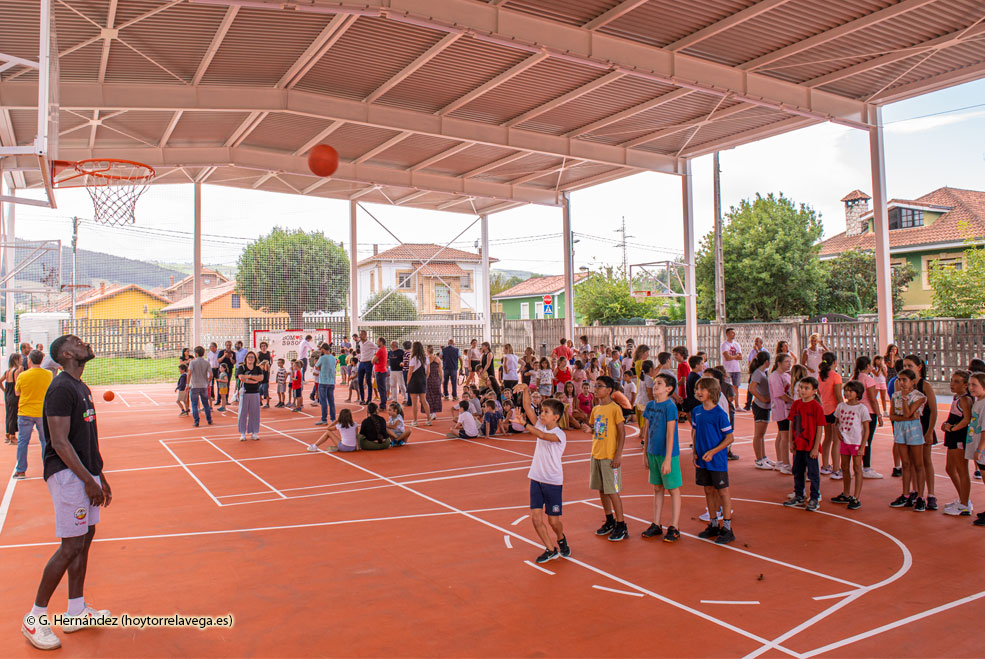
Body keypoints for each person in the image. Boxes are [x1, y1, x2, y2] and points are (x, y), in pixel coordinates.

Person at [22, 335, 110, 651]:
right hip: (68, 476)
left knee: (85, 538)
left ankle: (76, 611)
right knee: (71, 545)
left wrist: (99, 475)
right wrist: (87, 480)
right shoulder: (60, 388)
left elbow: (86, 436)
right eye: (78, 341)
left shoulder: (80, 386)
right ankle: (34, 619)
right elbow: (59, 442)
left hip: (85, 474)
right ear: (68, 354)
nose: (87, 343)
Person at [517, 386, 569, 563]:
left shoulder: (559, 434)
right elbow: (528, 408)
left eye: (546, 412)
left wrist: (524, 424)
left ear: (556, 417)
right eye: (542, 410)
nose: (541, 414)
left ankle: (561, 539)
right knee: (536, 518)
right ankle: (550, 548)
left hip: (552, 482)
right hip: (536, 479)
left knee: (554, 522)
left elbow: (541, 435)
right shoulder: (540, 424)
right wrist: (525, 390)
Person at [691, 376, 736, 544]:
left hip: (717, 460)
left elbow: (729, 438)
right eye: (697, 389)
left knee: (723, 491)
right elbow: (695, 433)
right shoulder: (696, 411)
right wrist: (695, 452)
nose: (699, 392)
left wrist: (713, 451)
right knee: (708, 490)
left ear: (712, 392)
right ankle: (714, 524)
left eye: (703, 389)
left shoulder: (719, 413)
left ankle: (727, 527)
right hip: (702, 459)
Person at [585, 375, 627, 541]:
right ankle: (609, 519)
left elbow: (622, 433)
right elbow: (598, 431)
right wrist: (590, 431)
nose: (596, 389)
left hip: (609, 456)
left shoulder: (615, 408)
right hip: (596, 453)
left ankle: (621, 524)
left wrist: (618, 454)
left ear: (609, 390)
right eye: (596, 386)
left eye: (600, 386)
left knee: (612, 491)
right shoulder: (596, 409)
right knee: (602, 489)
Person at [641, 373, 682, 542]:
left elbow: (671, 434)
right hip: (652, 452)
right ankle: (656, 524)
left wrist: (667, 459)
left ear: (669, 389)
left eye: (659, 383)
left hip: (667, 455)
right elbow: (647, 429)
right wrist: (645, 453)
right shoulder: (650, 405)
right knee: (657, 488)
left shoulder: (670, 407)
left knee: (673, 489)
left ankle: (674, 526)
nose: (655, 386)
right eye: (655, 383)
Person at [783, 376, 826, 511]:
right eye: (801, 387)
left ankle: (814, 497)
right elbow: (792, 424)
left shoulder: (816, 407)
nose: (802, 390)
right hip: (798, 445)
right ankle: (799, 495)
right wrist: (791, 442)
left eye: (806, 388)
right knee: (797, 471)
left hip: (810, 447)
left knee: (812, 473)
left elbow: (820, 428)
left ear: (814, 391)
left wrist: (815, 447)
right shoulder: (796, 404)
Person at [888, 368, 927, 510]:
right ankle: (905, 494)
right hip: (900, 429)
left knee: (918, 463)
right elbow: (893, 416)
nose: (901, 383)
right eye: (899, 380)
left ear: (913, 382)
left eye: (904, 380)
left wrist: (905, 400)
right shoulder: (895, 395)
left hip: (914, 430)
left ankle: (921, 497)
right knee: (905, 463)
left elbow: (907, 412)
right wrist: (906, 417)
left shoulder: (919, 396)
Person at [905, 355, 938, 511]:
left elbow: (933, 411)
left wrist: (930, 431)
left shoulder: (925, 386)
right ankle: (916, 491)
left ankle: (931, 495)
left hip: (923, 427)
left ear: (919, 367)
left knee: (925, 460)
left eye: (910, 366)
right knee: (912, 460)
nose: (906, 368)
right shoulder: (904, 385)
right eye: (905, 365)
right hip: (910, 427)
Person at [13, 350, 53, 479]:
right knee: (45, 441)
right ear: (41, 360)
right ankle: (47, 468)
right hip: (42, 412)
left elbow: (17, 392)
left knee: (23, 442)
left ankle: (21, 470)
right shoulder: (48, 374)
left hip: (25, 411)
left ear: (29, 360)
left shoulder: (23, 376)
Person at [829, 380, 868, 511]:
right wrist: (838, 432)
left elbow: (866, 429)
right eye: (846, 390)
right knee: (844, 467)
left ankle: (856, 497)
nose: (847, 393)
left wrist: (863, 446)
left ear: (858, 394)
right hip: (845, 441)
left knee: (857, 467)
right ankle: (846, 493)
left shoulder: (862, 409)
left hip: (856, 442)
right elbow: (837, 422)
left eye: (850, 391)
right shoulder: (841, 406)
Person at [941, 370, 973, 516]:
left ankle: (965, 504)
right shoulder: (956, 397)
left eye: (957, 382)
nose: (952, 384)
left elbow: (967, 419)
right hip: (953, 437)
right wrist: (946, 424)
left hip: (959, 437)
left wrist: (953, 428)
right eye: (952, 380)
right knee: (949, 468)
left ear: (966, 385)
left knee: (962, 470)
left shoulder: (965, 400)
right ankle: (963, 499)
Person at [851, 356, 884, 479]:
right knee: (867, 440)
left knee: (858, 439)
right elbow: (872, 399)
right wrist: (879, 415)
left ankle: (858, 465)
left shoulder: (854, 378)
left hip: (856, 412)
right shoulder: (869, 380)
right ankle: (866, 467)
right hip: (868, 413)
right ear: (868, 366)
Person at [818, 352, 844, 479]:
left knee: (827, 438)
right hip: (834, 410)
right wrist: (844, 408)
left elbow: (819, 392)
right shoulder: (836, 376)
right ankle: (836, 469)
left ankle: (825, 465)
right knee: (836, 440)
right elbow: (838, 396)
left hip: (824, 409)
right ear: (834, 362)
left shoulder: (820, 376)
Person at [769, 354, 794, 474]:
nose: (789, 364)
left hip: (787, 407)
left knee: (781, 435)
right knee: (785, 437)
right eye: (786, 361)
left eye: (790, 361)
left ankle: (780, 461)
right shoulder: (775, 376)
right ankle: (785, 463)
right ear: (779, 363)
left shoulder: (786, 375)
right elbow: (780, 393)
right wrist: (794, 401)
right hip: (781, 408)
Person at [967, 373, 985, 525]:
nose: (970, 388)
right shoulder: (978, 401)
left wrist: (979, 449)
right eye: (970, 384)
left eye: (974, 385)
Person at [236, 351, 264, 441]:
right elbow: (241, 378)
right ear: (246, 358)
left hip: (255, 392)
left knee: (255, 413)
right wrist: (253, 380)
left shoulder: (258, 368)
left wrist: (249, 376)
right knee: (242, 413)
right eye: (249, 357)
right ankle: (242, 433)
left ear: (255, 359)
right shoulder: (242, 367)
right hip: (244, 393)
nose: (250, 359)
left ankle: (254, 432)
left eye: (252, 357)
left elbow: (260, 378)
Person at [406, 341, 431, 427]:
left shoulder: (413, 358)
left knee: (414, 402)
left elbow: (410, 372)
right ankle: (429, 419)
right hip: (422, 380)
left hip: (414, 380)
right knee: (424, 401)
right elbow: (428, 371)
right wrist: (425, 379)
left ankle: (415, 421)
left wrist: (407, 382)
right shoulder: (426, 358)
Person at [187, 346, 213, 428]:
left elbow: (189, 373)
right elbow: (211, 375)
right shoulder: (207, 363)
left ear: (196, 353)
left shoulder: (192, 362)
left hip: (194, 385)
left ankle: (196, 421)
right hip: (203, 385)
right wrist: (208, 382)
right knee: (205, 403)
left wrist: (187, 384)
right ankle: (209, 419)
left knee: (194, 404)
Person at [314, 343, 337, 425]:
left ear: (323, 349)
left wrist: (321, 368)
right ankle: (333, 419)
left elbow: (316, 366)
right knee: (331, 401)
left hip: (323, 381)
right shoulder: (334, 358)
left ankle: (324, 419)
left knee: (323, 402)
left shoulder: (322, 358)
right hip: (331, 382)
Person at [4, 353, 22, 444]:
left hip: (8, 394)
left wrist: (5, 390)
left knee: (9, 415)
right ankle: (12, 436)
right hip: (14, 395)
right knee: (14, 415)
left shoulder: (8, 371)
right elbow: (17, 383)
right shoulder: (17, 371)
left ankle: (7, 435)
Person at [744, 337, 766, 410]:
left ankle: (763, 402)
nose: (756, 343)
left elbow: (762, 360)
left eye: (757, 341)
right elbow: (749, 360)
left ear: (761, 343)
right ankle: (748, 404)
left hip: (762, 372)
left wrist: (757, 351)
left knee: (762, 388)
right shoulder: (752, 351)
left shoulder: (765, 351)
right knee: (750, 388)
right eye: (755, 341)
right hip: (754, 372)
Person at [720, 328, 743, 393]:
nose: (734, 334)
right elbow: (727, 358)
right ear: (727, 334)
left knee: (736, 387)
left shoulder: (737, 344)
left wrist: (732, 356)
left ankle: (737, 403)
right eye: (732, 333)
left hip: (736, 369)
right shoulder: (724, 344)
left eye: (734, 333)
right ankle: (727, 402)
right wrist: (736, 356)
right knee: (726, 387)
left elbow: (740, 357)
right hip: (727, 369)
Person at [356, 330, 375, 406]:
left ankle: (369, 399)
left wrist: (374, 358)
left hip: (368, 363)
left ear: (365, 335)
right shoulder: (360, 343)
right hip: (361, 362)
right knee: (360, 381)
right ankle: (362, 399)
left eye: (361, 334)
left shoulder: (370, 343)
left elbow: (377, 348)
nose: (360, 336)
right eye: (360, 334)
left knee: (368, 381)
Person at [425, 346, 442, 422]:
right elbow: (440, 371)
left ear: (427, 351)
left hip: (428, 379)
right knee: (436, 395)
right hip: (436, 379)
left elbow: (426, 371)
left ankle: (431, 412)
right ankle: (434, 413)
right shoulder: (438, 359)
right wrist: (441, 379)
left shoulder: (426, 359)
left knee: (428, 396)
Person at [387, 341, 406, 406]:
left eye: (391, 344)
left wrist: (402, 363)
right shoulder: (389, 352)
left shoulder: (401, 352)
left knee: (401, 385)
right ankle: (394, 399)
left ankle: (405, 398)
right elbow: (388, 360)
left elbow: (404, 360)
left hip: (399, 371)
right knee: (393, 385)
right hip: (392, 371)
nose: (390, 345)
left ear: (394, 345)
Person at [371, 337, 389, 408]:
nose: (377, 343)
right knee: (382, 388)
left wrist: (374, 359)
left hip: (380, 371)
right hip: (381, 370)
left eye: (377, 341)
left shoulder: (380, 350)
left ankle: (383, 404)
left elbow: (373, 360)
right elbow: (374, 360)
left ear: (381, 342)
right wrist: (375, 359)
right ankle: (383, 402)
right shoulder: (384, 349)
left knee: (381, 388)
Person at [256, 341, 273, 409]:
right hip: (260, 371)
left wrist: (269, 366)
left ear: (266, 347)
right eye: (262, 346)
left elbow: (271, 360)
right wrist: (260, 366)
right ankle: (260, 401)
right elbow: (256, 362)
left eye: (265, 346)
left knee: (265, 388)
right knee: (259, 387)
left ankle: (267, 403)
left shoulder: (268, 353)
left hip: (266, 372)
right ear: (260, 347)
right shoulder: (259, 354)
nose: (263, 347)